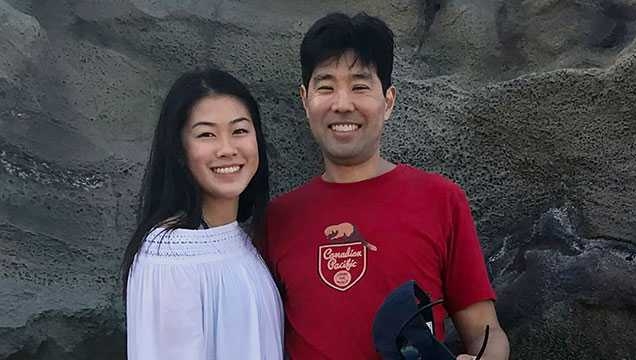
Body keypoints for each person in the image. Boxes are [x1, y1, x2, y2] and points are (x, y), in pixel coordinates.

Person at [264, 12, 510, 360]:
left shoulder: (441, 200)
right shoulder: (277, 219)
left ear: (389, 101)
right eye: (326, 86)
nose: (343, 104)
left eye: (360, 86)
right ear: (305, 101)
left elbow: (486, 331)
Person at [121, 69, 283, 359]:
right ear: (180, 150)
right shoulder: (169, 258)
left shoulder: (238, 238)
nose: (227, 149)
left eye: (240, 131)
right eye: (206, 134)